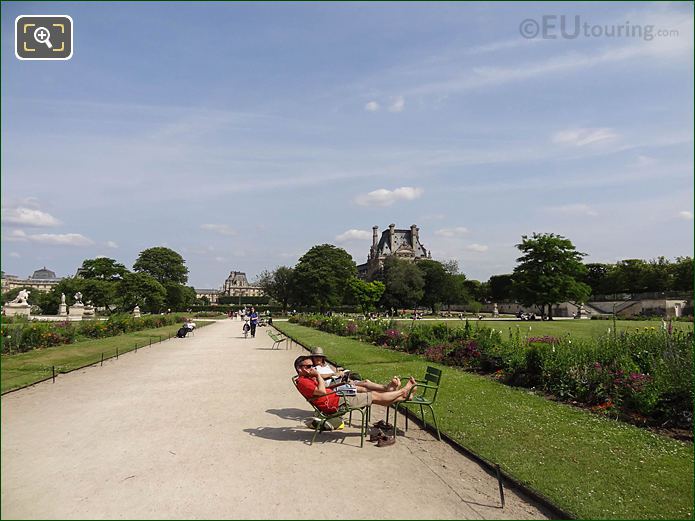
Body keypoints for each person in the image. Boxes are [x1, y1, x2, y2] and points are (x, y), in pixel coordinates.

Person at [294, 356, 416, 413]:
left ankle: (404, 396)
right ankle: (403, 391)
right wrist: (318, 375)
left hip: (336, 397)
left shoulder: (306, 378)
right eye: (309, 366)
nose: (312, 368)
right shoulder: (304, 382)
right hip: (335, 403)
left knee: (375, 398)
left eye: (312, 366)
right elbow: (321, 392)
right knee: (373, 395)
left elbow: (323, 389)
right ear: (300, 369)